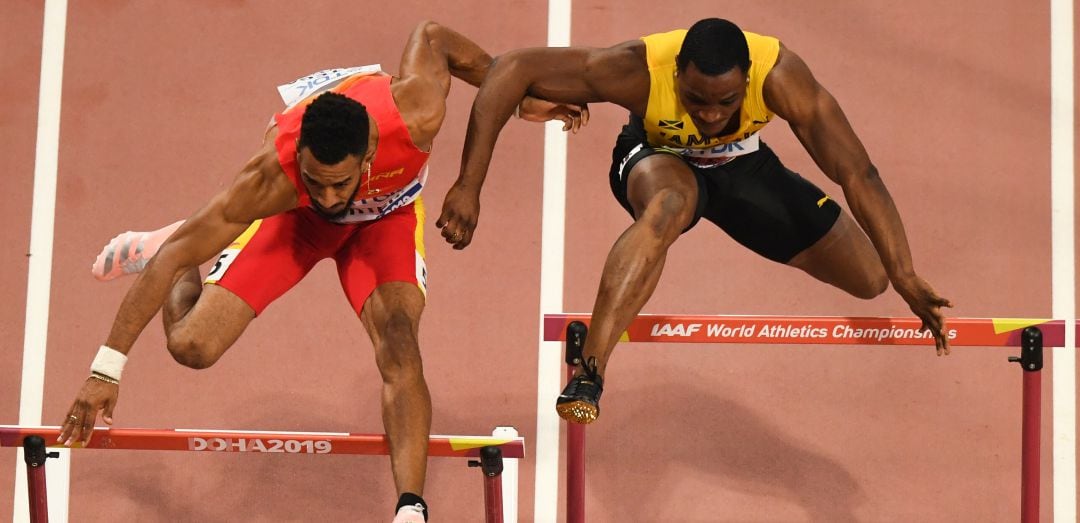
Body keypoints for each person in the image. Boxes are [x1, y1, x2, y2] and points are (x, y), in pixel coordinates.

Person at [58, 21, 585, 522]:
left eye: (339, 183)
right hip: (295, 222)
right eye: (317, 179)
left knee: (399, 341)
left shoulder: (415, 114)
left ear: (370, 154)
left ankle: (410, 507)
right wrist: (105, 369)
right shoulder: (273, 179)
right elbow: (184, 257)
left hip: (386, 218)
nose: (330, 196)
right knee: (191, 346)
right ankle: (184, 235)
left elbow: (434, 37)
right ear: (300, 161)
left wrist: (509, 113)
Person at [438, 18, 952, 425]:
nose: (709, 113)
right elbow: (513, 68)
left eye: (727, 101)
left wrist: (904, 272)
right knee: (669, 206)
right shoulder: (636, 68)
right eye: (696, 99)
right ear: (677, 73)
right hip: (658, 160)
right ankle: (589, 373)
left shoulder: (782, 76)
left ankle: (877, 266)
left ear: (748, 82)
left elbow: (857, 171)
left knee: (871, 278)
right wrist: (468, 184)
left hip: (742, 165)